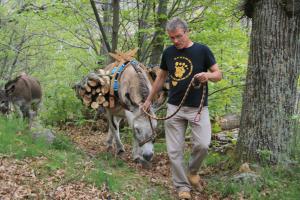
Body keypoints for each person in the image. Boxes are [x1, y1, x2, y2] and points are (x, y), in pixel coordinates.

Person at [142, 17, 222, 199]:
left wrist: (208, 76)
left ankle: (192, 172)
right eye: (172, 38)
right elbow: (161, 78)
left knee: (202, 145)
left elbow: (219, 74)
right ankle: (181, 186)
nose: (176, 41)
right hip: (174, 107)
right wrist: (149, 99)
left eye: (178, 36)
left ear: (187, 32)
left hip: (198, 108)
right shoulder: (168, 53)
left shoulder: (202, 50)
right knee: (174, 151)